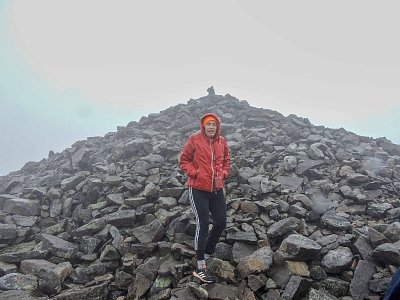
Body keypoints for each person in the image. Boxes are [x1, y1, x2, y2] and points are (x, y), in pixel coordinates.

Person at [179, 113, 231, 283]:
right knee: (203, 223)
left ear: (217, 127)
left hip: (216, 189)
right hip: (197, 189)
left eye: (214, 125)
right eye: (208, 124)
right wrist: (195, 173)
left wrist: (223, 173)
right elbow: (184, 160)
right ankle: (200, 263)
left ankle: (207, 251)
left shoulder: (221, 141)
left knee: (221, 222)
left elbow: (226, 160)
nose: (211, 127)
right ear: (203, 126)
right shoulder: (194, 139)